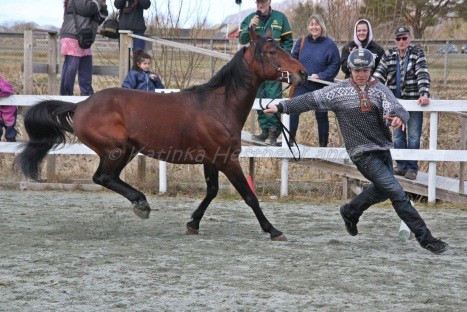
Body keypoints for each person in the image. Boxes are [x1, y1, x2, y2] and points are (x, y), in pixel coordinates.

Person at [264, 48, 448, 254]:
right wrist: (281, 107)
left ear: (371, 69)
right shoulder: (337, 92)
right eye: (357, 69)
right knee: (397, 193)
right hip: (361, 152)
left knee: (381, 191)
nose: (361, 73)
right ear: (350, 69)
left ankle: (350, 211)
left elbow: (396, 108)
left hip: (382, 150)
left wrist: (398, 117)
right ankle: (426, 238)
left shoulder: (380, 89)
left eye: (365, 69)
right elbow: (309, 100)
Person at [373, 26, 431, 180]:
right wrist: (373, 89)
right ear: (395, 41)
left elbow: (422, 73)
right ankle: (401, 165)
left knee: (413, 135)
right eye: (398, 39)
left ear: (409, 39)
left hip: (413, 101)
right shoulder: (389, 54)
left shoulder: (417, 53)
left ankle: (412, 168)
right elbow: (379, 74)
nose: (401, 41)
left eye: (404, 38)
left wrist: (424, 93)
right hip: (395, 103)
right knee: (398, 136)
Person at [238, 0, 293, 146]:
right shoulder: (250, 18)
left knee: (273, 97)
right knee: (259, 97)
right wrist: (250, 28)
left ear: (269, 2)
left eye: (262, 2)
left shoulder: (280, 18)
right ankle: (264, 130)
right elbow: (242, 40)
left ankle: (274, 132)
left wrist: (281, 60)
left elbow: (288, 42)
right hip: (255, 69)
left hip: (272, 68)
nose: (259, 5)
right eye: (257, 2)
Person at [290, 14, 340, 147]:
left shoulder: (330, 45)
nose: (314, 27)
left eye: (316, 24)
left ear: (321, 25)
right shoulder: (301, 42)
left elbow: (335, 65)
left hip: (320, 86)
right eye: (311, 24)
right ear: (308, 27)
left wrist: (321, 75)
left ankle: (323, 146)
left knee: (321, 115)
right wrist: (298, 74)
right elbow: (293, 60)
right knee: (293, 109)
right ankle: (290, 141)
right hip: (303, 85)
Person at [59, 0, 108, 96]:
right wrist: (100, 3)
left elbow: (99, 18)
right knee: (71, 69)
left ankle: (87, 97)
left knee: (86, 69)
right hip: (73, 37)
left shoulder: (91, 2)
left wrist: (103, 6)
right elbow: (90, 9)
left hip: (84, 38)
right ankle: (65, 97)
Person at [0, 75, 17, 142]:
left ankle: (11, 138)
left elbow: (7, 91)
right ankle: (11, 138)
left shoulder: (2, 82)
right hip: (7, 108)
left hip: (8, 108)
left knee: (9, 125)